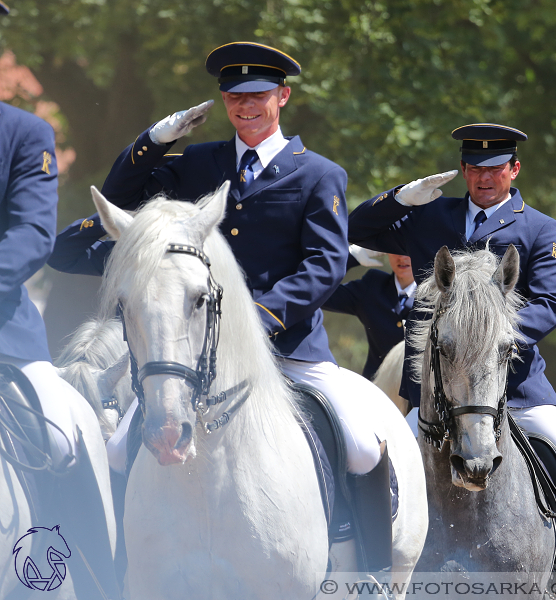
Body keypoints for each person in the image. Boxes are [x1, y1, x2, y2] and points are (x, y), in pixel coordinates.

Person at [48, 41, 394, 572]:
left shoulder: (319, 175)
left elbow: (324, 266)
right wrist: (155, 140)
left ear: (282, 96)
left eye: (257, 95)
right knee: (117, 452)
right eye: (234, 96)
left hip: (290, 347)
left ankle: (370, 573)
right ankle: (114, 570)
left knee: (363, 443)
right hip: (190, 355)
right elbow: (120, 199)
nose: (244, 106)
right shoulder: (197, 163)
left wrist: (256, 320)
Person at [347, 123, 556, 598]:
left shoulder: (540, 228)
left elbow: (551, 304)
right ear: (463, 170)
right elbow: (358, 227)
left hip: (515, 387)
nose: (483, 178)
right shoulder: (432, 218)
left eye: (495, 169)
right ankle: (365, 570)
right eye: (474, 168)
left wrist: (488, 335)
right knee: (379, 461)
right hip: (437, 394)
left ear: (514, 170)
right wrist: (402, 199)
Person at [0, 3, 119, 597]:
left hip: (5, 339)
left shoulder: (25, 134)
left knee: (63, 432)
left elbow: (29, 236)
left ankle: (96, 580)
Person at [324, 250, 416, 380]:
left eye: (408, 251)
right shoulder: (373, 286)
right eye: (396, 249)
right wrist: (351, 257)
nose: (402, 257)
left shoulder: (436, 294)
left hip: (422, 393)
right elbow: (318, 294)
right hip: (376, 390)